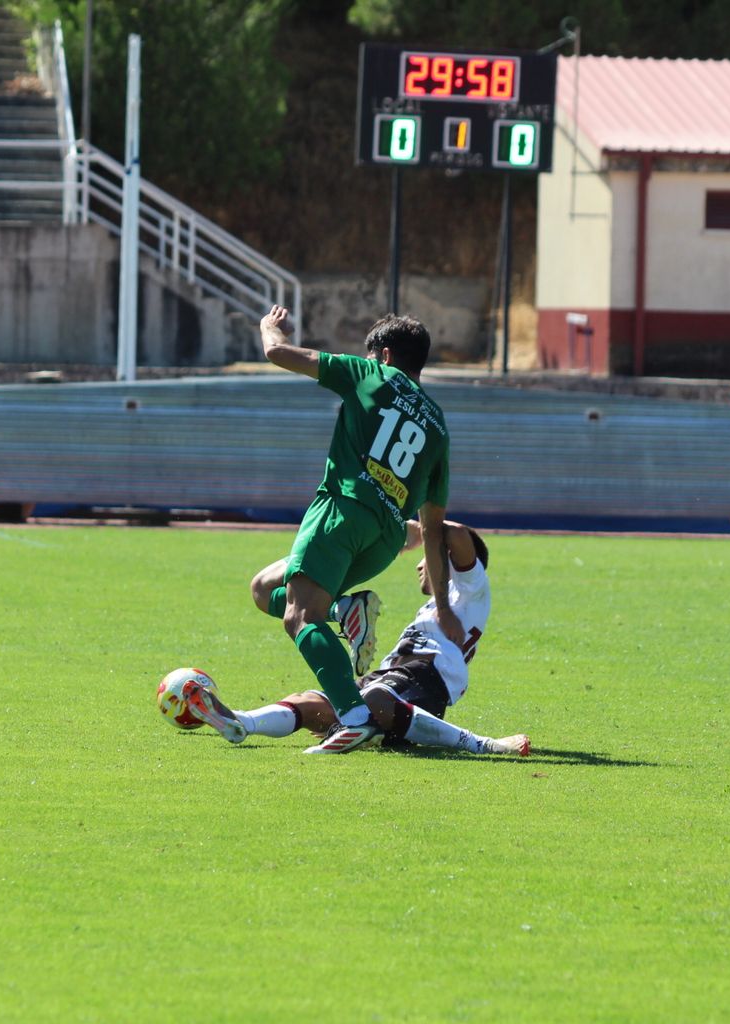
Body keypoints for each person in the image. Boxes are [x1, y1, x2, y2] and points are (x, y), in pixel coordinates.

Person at [251, 305, 462, 755]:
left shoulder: (370, 374)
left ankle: (354, 716)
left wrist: (270, 328)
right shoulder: (438, 425)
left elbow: (278, 353)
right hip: (384, 537)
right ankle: (348, 609)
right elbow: (432, 525)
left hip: (342, 512)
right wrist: (442, 606)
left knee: (300, 616)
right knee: (263, 588)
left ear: (383, 355)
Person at [189, 519, 528, 756]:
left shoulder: (470, 590)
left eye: (427, 557)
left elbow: (455, 532)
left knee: (375, 701)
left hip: (424, 681)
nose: (419, 565)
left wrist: (403, 528)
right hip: (388, 679)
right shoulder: (442, 604)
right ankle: (241, 722)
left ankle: (481, 743)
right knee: (312, 703)